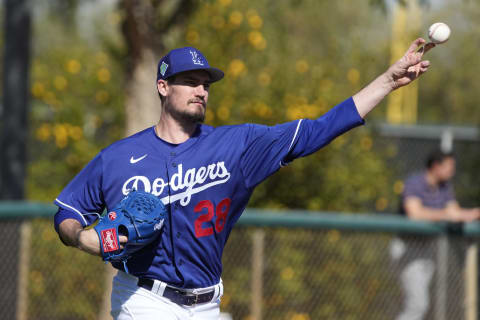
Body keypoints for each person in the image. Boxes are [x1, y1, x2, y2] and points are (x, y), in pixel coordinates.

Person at [54, 38, 433, 319]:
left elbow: (320, 129)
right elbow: (67, 210)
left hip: (208, 301)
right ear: (163, 87)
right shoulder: (118, 157)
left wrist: (387, 81)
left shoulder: (238, 145)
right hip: (144, 298)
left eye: (206, 83)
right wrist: (83, 237)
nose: (201, 90)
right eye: (189, 80)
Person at [393, 149, 480, 320]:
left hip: (426, 248)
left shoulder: (444, 186)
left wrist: (474, 213)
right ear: (435, 166)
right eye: (449, 167)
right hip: (407, 247)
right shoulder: (415, 183)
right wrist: (446, 215)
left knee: (419, 304)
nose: (452, 171)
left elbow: (454, 212)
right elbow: (415, 214)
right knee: (418, 304)